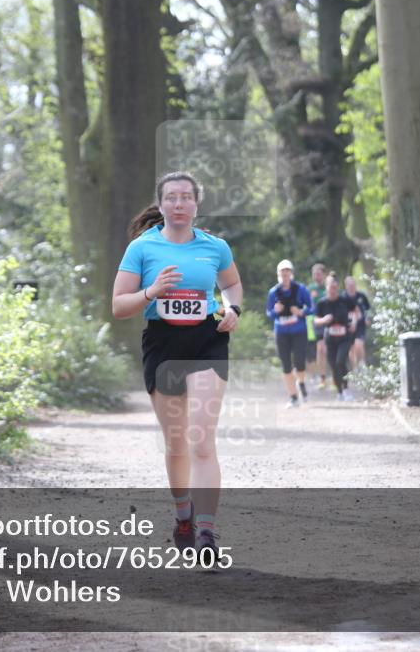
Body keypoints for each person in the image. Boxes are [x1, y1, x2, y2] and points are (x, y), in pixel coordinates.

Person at [112, 171, 243, 560]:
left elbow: (231, 285)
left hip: (206, 342)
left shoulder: (215, 247)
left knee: (201, 439)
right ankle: (183, 514)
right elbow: (118, 306)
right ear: (161, 204)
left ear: (196, 204)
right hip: (163, 345)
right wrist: (152, 291)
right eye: (172, 197)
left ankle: (207, 532)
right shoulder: (142, 248)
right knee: (177, 443)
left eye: (186, 197)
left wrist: (233, 308)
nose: (179, 203)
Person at [266, 259, 313, 408]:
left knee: (299, 362)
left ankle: (301, 382)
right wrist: (275, 311)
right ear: (278, 274)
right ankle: (293, 397)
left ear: (291, 273)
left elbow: (312, 308)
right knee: (286, 364)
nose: (285, 274)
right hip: (281, 332)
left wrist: (301, 312)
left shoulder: (301, 289)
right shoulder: (273, 292)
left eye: (287, 271)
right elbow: (269, 313)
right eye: (282, 272)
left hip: (299, 330)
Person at [314, 275, 359, 401]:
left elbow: (355, 311)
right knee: (333, 365)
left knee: (340, 361)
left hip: (345, 337)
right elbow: (316, 320)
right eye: (330, 288)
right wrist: (323, 320)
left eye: (335, 288)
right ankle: (339, 391)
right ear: (326, 288)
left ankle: (346, 389)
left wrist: (354, 323)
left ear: (338, 288)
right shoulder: (322, 303)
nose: (333, 290)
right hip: (330, 338)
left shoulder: (345, 300)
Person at [305, 263, 328, 390]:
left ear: (324, 274)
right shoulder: (309, 289)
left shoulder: (329, 287)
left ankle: (325, 375)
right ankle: (314, 375)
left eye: (319, 274)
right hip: (311, 322)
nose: (316, 277)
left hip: (326, 322)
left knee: (323, 349)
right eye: (314, 274)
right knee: (312, 350)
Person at [343, 276, 372, 370]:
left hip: (360, 324)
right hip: (349, 325)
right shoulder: (343, 297)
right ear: (346, 286)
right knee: (352, 348)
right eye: (349, 285)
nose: (351, 287)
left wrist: (368, 318)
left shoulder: (361, 296)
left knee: (359, 343)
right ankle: (354, 368)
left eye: (353, 285)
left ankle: (362, 364)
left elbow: (368, 309)